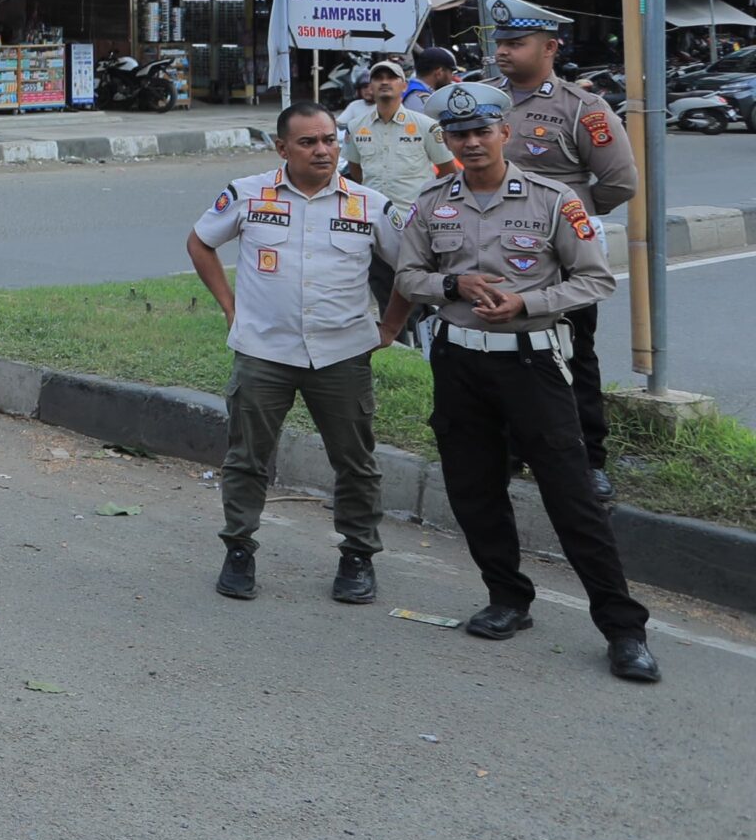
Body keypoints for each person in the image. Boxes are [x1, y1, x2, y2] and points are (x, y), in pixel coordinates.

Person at [394, 82, 660, 684]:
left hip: (531, 364)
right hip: (459, 363)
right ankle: (508, 598)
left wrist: (526, 302)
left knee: (572, 496)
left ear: (503, 133)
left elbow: (595, 281)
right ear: (448, 140)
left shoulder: (553, 198)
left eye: (482, 130)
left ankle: (623, 629)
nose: (472, 142)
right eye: (459, 134)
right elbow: (409, 274)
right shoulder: (431, 201)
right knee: (473, 488)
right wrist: (451, 287)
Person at [187, 102, 404, 606]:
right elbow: (200, 243)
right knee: (247, 458)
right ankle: (239, 548)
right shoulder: (247, 194)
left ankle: (358, 556)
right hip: (264, 351)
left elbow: (410, 266)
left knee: (355, 462)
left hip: (342, 354)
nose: (323, 150)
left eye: (330, 139)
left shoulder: (370, 203)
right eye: (308, 142)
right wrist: (229, 307)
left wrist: (391, 325)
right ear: (281, 148)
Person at [489, 0, 635, 502]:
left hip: (559, 258)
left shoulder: (582, 108)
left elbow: (618, 183)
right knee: (498, 356)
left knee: (572, 357)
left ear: (550, 47)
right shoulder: (483, 99)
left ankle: (587, 460)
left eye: (515, 42)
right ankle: (507, 451)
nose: (502, 52)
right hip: (488, 256)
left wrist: (559, 213)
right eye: (499, 42)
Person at [340, 58, 458, 328]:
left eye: (391, 77)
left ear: (403, 86)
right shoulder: (357, 126)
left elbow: (448, 171)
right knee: (383, 287)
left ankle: (423, 339)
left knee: (418, 290)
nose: (384, 82)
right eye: (378, 77)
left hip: (413, 224)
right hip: (375, 225)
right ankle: (397, 340)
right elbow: (356, 171)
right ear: (369, 86)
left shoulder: (426, 125)